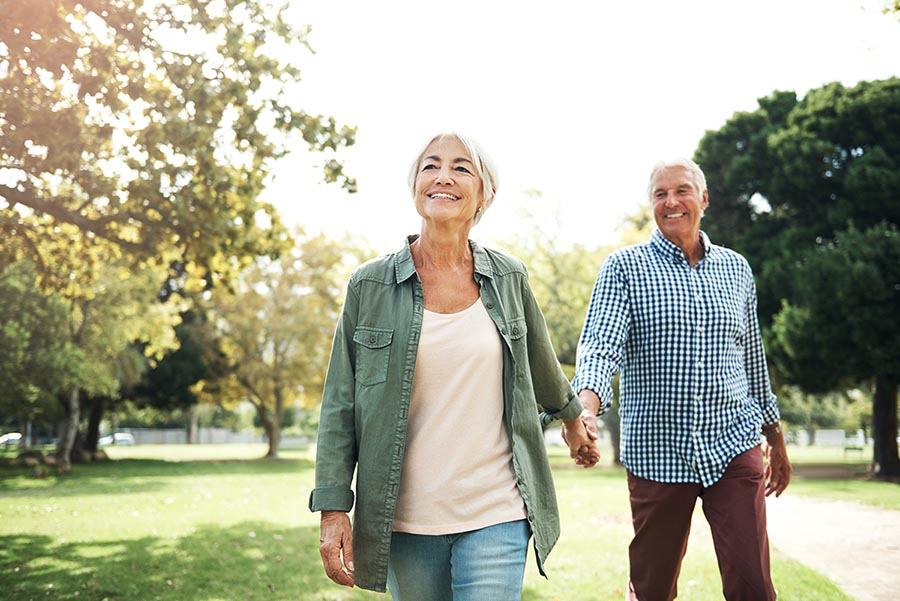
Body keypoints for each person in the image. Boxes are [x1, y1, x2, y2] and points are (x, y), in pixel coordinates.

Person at [309, 131, 597, 599]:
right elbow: (340, 406)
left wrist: (571, 421)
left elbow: (541, 366)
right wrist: (333, 508)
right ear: (416, 186)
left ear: (485, 193)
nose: (444, 176)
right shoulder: (370, 286)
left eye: (462, 167)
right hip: (403, 520)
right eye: (431, 165)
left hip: (497, 510)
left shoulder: (509, 278)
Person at [570, 158, 792, 601]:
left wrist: (775, 436)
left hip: (734, 442)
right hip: (657, 451)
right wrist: (585, 411)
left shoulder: (736, 269)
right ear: (651, 204)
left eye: (682, 191)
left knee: (753, 583)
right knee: (653, 586)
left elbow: (752, 359)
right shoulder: (624, 268)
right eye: (660, 194)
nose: (671, 202)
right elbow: (600, 346)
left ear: (704, 199)